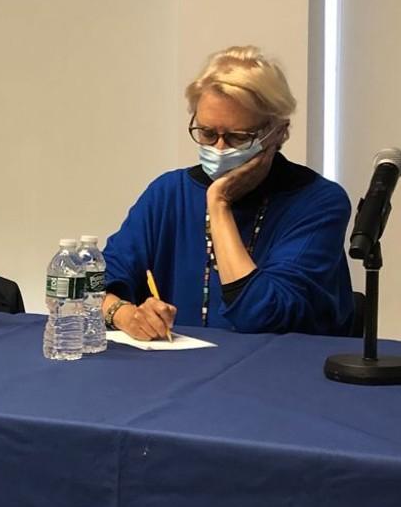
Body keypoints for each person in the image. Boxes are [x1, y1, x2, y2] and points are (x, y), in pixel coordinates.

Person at [101, 46, 354, 340]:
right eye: (208, 134)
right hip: (178, 371)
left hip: (282, 373)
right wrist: (124, 314)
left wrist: (219, 203)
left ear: (279, 133)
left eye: (238, 137)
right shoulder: (168, 193)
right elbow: (92, 288)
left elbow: (262, 315)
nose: (219, 150)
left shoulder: (319, 202)